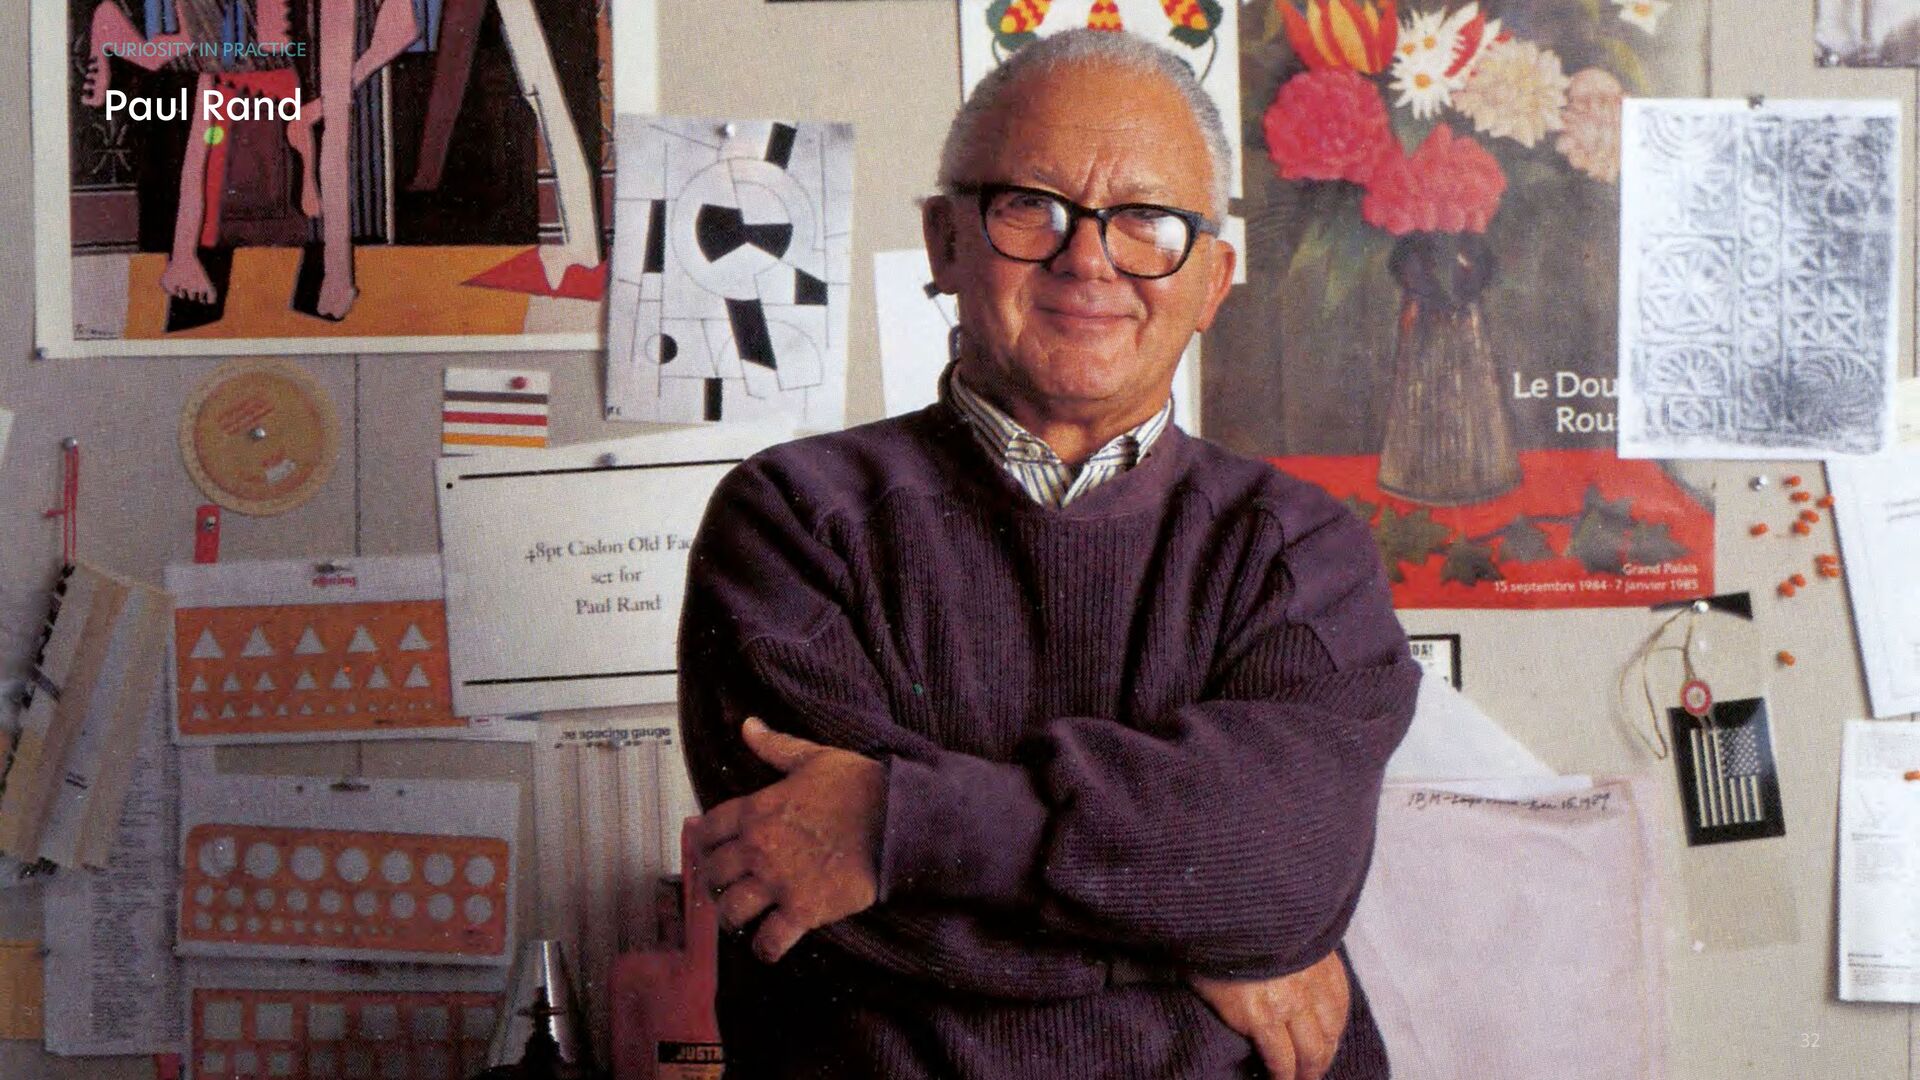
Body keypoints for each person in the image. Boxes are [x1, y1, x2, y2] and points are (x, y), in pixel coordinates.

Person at [678, 28, 1419, 1080]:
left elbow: (1286, 879)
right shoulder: (791, 520)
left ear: (1214, 278)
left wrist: (902, 823)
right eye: (1032, 206)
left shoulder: (1299, 549)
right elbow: (811, 885)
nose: (1088, 258)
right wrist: (1204, 930)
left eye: (1148, 220)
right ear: (945, 241)